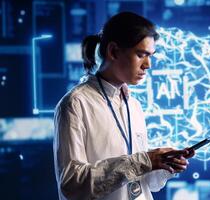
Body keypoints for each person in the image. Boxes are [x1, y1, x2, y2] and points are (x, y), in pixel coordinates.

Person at [53, 12, 195, 200]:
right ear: (113, 51)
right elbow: (72, 185)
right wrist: (144, 161)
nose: (148, 65)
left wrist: (163, 164)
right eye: (141, 55)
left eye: (151, 56)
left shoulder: (133, 105)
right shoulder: (75, 104)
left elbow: (147, 184)